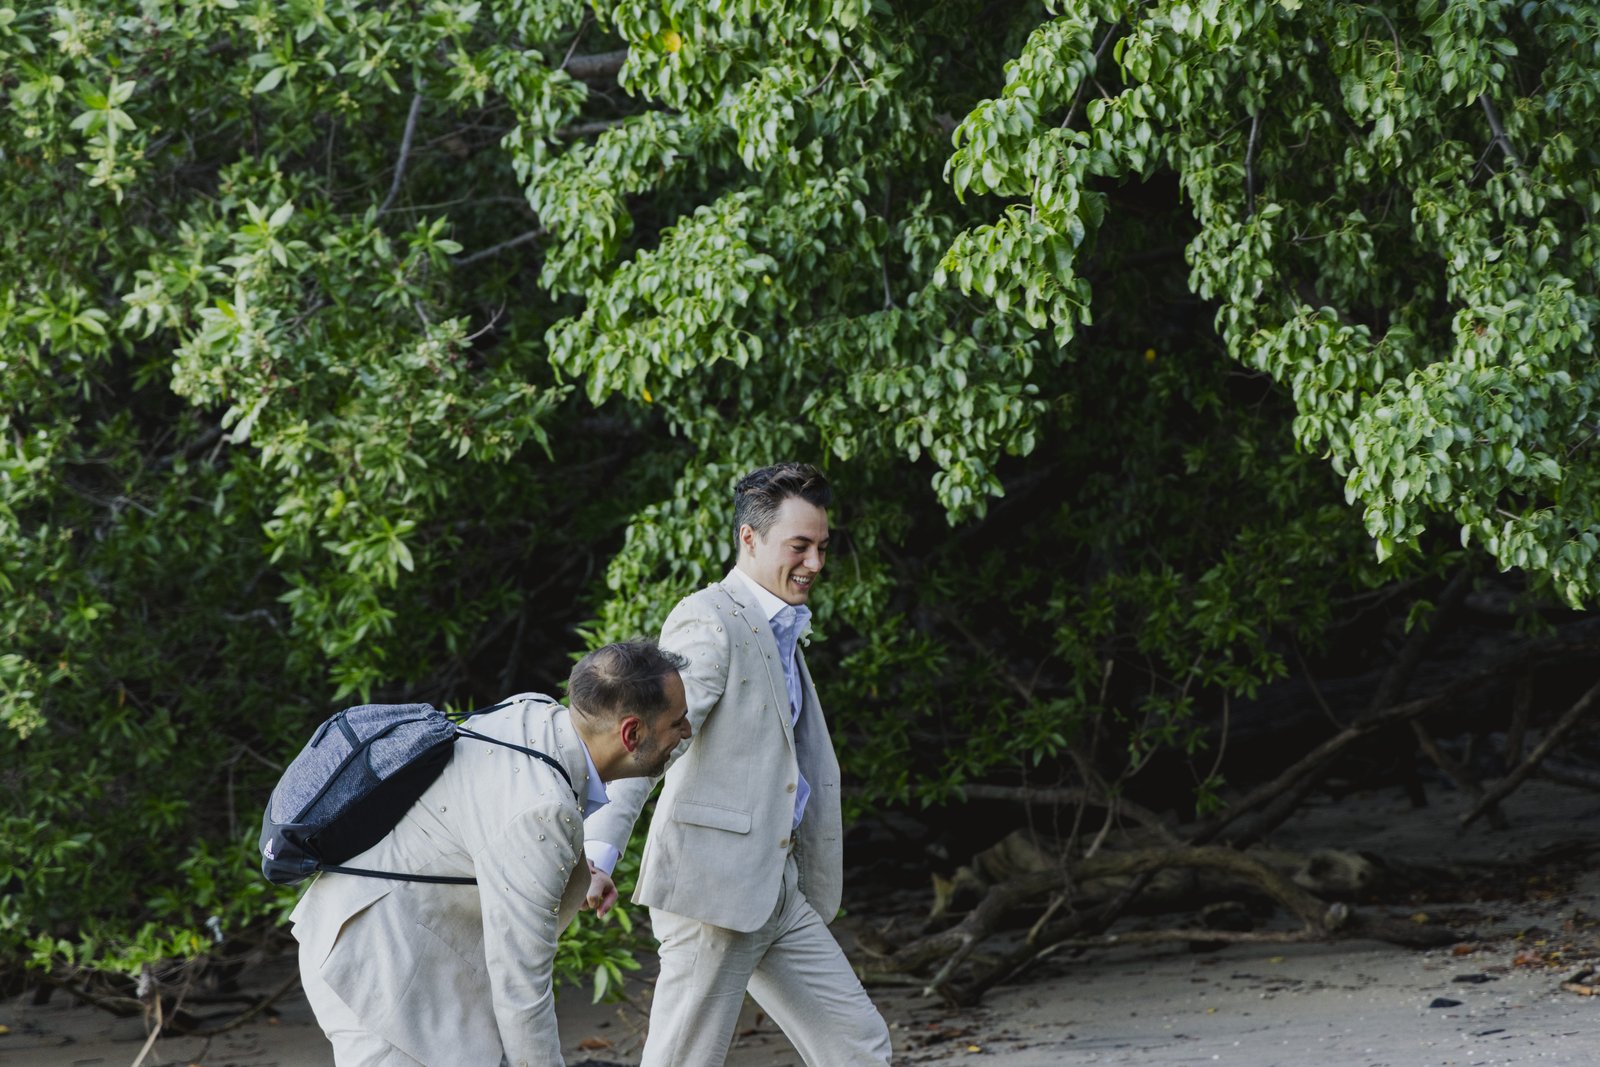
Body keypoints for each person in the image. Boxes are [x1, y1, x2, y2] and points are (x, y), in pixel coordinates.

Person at [585, 462, 893, 1067]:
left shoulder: (781, 626)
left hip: (777, 889)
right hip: (712, 892)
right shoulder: (709, 620)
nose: (815, 564)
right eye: (799, 547)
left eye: (822, 548)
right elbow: (644, 745)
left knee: (857, 1044)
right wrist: (599, 854)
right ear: (749, 539)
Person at [290, 640, 691, 1067]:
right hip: (375, 966)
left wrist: (579, 869)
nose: (686, 733)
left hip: (404, 945)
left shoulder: (536, 712)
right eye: (677, 723)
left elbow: (489, 823)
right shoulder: (542, 809)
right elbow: (520, 984)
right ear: (631, 733)